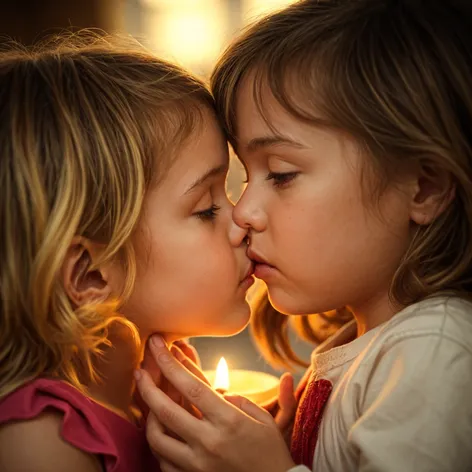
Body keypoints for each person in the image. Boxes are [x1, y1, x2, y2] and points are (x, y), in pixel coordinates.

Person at [135, 1, 472, 471]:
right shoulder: (378, 347)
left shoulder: (433, 353)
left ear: (424, 187)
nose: (245, 212)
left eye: (281, 174)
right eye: (245, 177)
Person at [0, 31, 255, 472]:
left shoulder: (149, 396)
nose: (244, 219)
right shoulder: (42, 441)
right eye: (207, 208)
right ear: (90, 275)